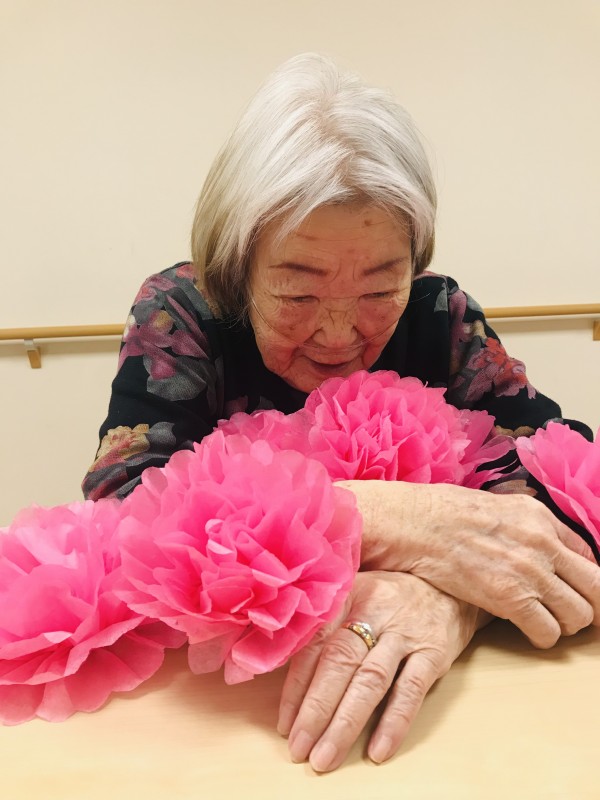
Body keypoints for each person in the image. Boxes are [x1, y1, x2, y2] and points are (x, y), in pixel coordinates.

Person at [83, 53, 600, 772]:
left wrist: (450, 597)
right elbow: (125, 509)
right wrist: (410, 522)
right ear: (237, 266)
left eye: (380, 290)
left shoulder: (440, 313)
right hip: (225, 715)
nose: (337, 335)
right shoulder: (183, 310)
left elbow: (569, 477)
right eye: (297, 294)